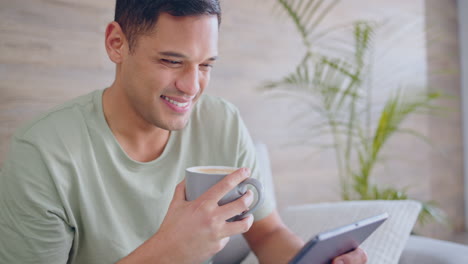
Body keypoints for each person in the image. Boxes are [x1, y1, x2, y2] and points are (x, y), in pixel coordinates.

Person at [0, 1, 368, 263]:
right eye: (171, 61)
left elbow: (268, 234)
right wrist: (170, 250)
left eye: (205, 65)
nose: (192, 86)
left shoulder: (222, 122)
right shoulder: (43, 153)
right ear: (117, 43)